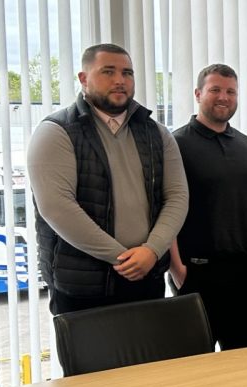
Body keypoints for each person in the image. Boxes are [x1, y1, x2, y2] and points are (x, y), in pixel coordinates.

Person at [28, 43, 188, 316]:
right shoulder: (56, 131)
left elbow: (177, 196)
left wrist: (151, 251)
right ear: (83, 78)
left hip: (147, 278)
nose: (119, 80)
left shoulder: (157, 133)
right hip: (82, 287)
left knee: (149, 347)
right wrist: (123, 258)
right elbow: (57, 208)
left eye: (127, 73)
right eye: (108, 72)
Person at [171, 64, 247, 350]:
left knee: (242, 360)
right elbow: (164, 207)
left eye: (231, 92)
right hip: (197, 270)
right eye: (215, 90)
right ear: (198, 94)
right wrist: (176, 268)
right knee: (195, 361)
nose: (224, 97)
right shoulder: (175, 144)